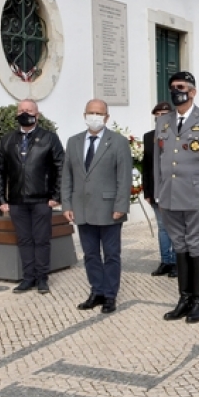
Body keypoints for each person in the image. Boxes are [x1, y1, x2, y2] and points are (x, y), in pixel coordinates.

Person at [155, 72, 199, 324]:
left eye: (181, 87)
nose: (176, 91)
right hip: (170, 196)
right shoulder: (163, 121)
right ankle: (184, 298)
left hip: (197, 195)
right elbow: (158, 161)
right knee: (179, 246)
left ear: (193, 91)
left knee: (195, 246)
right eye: (173, 87)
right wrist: (158, 194)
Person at [61, 99, 132, 314]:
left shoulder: (118, 142)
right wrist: (67, 204)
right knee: (90, 254)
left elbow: (124, 177)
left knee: (111, 254)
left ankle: (110, 295)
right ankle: (97, 291)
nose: (94, 116)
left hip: (110, 208)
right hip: (82, 208)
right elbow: (67, 176)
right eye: (91, 112)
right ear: (84, 115)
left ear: (107, 117)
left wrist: (121, 205)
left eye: (99, 113)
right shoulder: (73, 142)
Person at [0, 99, 65, 294]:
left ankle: (42, 278)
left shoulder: (50, 138)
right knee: (24, 240)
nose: (25, 113)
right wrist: (1, 199)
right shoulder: (7, 139)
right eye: (22, 110)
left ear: (37, 114)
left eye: (29, 110)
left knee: (41, 240)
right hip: (17, 201)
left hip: (42, 199)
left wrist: (56, 195)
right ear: (17, 114)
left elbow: (61, 166)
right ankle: (28, 278)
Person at [142, 101, 177, 277]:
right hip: (157, 190)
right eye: (157, 115)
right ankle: (166, 261)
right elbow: (146, 166)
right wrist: (147, 191)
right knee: (163, 227)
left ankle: (178, 262)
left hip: (177, 190)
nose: (160, 118)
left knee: (176, 227)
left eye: (164, 114)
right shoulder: (149, 137)